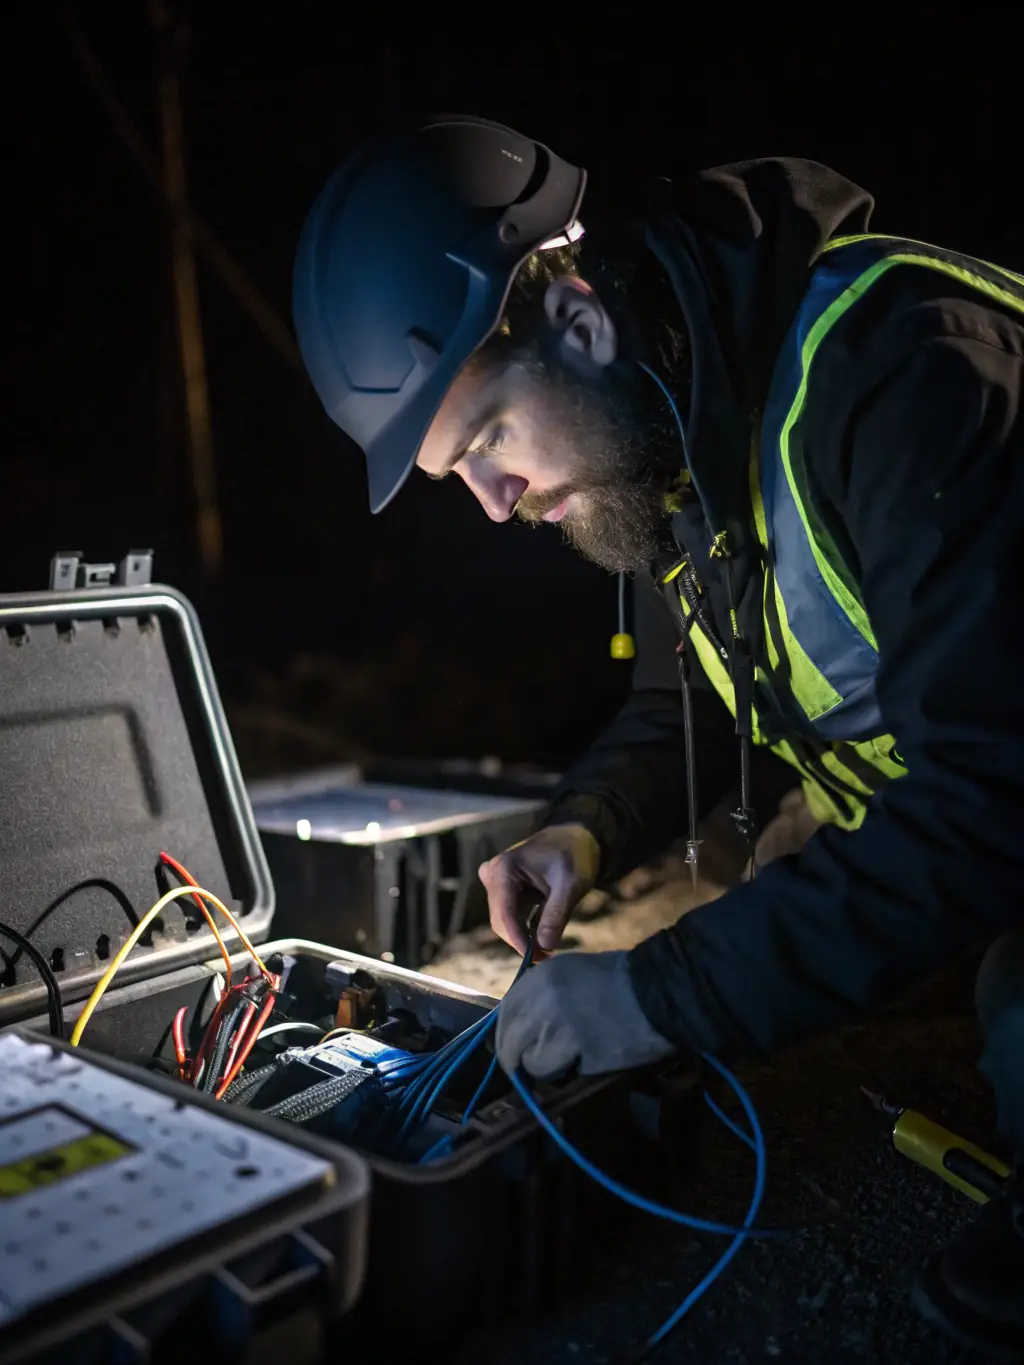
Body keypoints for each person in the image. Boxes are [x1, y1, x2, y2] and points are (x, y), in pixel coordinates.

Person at [292, 116, 1023, 1359]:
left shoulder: (905, 370)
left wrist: (659, 991)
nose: (494, 503)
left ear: (580, 324)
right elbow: (697, 703)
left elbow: (990, 798)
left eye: (486, 443)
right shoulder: (674, 442)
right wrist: (581, 829)